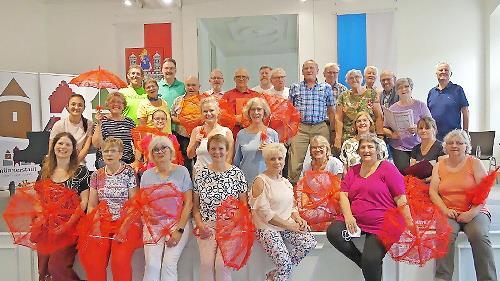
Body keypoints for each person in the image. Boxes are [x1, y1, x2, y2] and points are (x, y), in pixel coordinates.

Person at [327, 133, 413, 281]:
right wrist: (348, 216)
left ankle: (368, 264)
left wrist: (410, 223)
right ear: (358, 151)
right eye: (363, 147)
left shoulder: (388, 168)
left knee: (371, 260)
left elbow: (401, 198)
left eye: (370, 147)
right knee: (334, 232)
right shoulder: (353, 170)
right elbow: (344, 195)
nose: (366, 150)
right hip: (356, 221)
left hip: (382, 224)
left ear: (377, 150)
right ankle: (363, 264)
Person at [429, 129, 497, 281]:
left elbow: (484, 191)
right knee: (444, 235)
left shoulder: (475, 162)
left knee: (478, 234)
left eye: (459, 143)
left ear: (467, 146)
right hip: (449, 211)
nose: (454, 146)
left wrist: (472, 212)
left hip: (475, 211)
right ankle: (442, 279)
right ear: (445, 146)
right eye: (450, 143)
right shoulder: (439, 165)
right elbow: (433, 192)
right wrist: (445, 210)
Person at [249, 143, 317, 281]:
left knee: (309, 243)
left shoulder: (286, 182)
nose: (277, 162)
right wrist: (289, 225)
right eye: (272, 159)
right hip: (266, 228)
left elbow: (292, 206)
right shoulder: (260, 181)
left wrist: (298, 219)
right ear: (266, 161)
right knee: (284, 263)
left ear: (284, 160)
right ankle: (281, 269)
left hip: (286, 225)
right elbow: (265, 214)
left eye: (280, 158)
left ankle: (275, 274)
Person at [83, 137, 139, 281]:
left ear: (120, 154)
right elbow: (92, 205)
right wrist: (95, 227)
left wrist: (124, 229)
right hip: (102, 223)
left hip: (127, 223)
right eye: (106, 151)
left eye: (113, 151)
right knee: (95, 263)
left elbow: (134, 205)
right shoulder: (96, 175)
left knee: (119, 262)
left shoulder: (129, 173)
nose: (109, 154)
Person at [192, 134, 247, 281]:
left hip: (231, 226)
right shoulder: (200, 174)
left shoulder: (237, 174)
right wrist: (200, 224)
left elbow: (243, 206)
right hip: (207, 225)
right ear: (208, 151)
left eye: (221, 148)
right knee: (206, 264)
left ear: (227, 150)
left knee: (222, 266)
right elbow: (195, 207)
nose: (217, 152)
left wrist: (233, 224)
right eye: (213, 149)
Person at [38, 132, 90, 281]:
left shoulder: (81, 172)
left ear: (73, 149)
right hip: (46, 227)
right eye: (60, 143)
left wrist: (67, 225)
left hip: (70, 227)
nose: (63, 147)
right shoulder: (45, 171)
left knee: (57, 267)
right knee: (43, 271)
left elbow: (84, 202)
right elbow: (38, 197)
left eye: (68, 144)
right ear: (53, 146)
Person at [141, 136, 193, 281]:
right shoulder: (146, 175)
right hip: (153, 224)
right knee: (152, 265)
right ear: (151, 154)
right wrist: (150, 224)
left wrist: (179, 230)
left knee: (169, 265)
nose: (160, 151)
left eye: (164, 148)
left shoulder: (182, 171)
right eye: (155, 149)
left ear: (171, 151)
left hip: (177, 223)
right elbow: (143, 204)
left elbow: (188, 203)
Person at [288, 59, 336, 184]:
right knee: (295, 161)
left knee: (323, 158)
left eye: (312, 68)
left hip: (320, 126)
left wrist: (333, 131)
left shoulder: (326, 88)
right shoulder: (295, 87)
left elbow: (331, 111)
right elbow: (289, 111)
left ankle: (325, 188)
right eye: (306, 68)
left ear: (317, 71)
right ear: (302, 71)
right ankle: (293, 190)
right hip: (300, 128)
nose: (309, 70)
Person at [383, 78, 431, 172]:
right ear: (396, 91)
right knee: (404, 171)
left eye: (406, 86)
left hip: (419, 145)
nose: (403, 89)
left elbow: (430, 124)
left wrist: (418, 128)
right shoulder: (392, 108)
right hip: (399, 146)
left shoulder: (421, 105)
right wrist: (392, 135)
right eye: (400, 87)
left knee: (420, 172)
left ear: (411, 88)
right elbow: (384, 128)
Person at [335, 69, 384, 150]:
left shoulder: (372, 94)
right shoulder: (343, 96)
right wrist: (338, 138)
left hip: (369, 136)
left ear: (362, 79)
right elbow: (338, 118)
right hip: (349, 137)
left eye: (357, 77)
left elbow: (379, 116)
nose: (354, 79)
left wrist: (380, 136)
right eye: (351, 78)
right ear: (347, 81)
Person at [233, 97, 279, 184]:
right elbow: (236, 162)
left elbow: (279, 163)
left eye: (259, 109)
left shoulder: (273, 134)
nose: (256, 112)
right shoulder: (241, 134)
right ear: (248, 112)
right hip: (246, 182)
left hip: (268, 182)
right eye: (253, 109)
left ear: (264, 111)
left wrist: (269, 151)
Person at [187, 96, 234, 174]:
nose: (208, 114)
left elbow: (229, 159)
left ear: (218, 111)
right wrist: (196, 142)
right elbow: (190, 155)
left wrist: (221, 175)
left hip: (219, 175)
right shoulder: (196, 131)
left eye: (211, 110)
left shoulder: (226, 132)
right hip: (199, 175)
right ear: (201, 113)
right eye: (205, 111)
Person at [92, 91, 136, 169]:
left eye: (119, 102)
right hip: (106, 160)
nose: (116, 104)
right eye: (112, 102)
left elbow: (137, 143)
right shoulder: (102, 121)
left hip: (127, 159)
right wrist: (99, 124)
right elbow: (97, 144)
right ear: (108, 105)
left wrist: (137, 162)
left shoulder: (130, 122)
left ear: (123, 106)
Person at [171, 75, 205, 175]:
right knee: (185, 166)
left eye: (194, 85)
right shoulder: (178, 100)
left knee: (201, 164)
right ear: (185, 86)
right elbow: (172, 116)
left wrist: (197, 121)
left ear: (199, 86)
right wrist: (184, 121)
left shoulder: (204, 100)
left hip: (201, 137)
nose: (191, 88)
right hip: (183, 138)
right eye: (188, 85)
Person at [427, 62, 469, 140]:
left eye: (446, 70)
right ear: (436, 73)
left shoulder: (458, 90)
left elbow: (465, 112)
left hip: (454, 137)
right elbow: (428, 115)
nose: (443, 72)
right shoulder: (431, 92)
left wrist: (465, 132)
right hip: (434, 137)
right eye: (441, 70)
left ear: (451, 74)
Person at [49, 94, 93, 163]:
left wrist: (73, 164)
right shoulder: (59, 125)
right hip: (59, 163)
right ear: (67, 107)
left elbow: (86, 148)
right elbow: (51, 148)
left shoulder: (89, 124)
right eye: (73, 104)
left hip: (79, 163)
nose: (76, 107)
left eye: (80, 105)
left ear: (84, 108)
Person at [221, 68, 259, 135]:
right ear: (234, 79)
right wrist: (235, 119)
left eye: (243, 77)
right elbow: (221, 115)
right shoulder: (227, 95)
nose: (241, 79)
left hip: (253, 132)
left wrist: (246, 120)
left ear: (248, 79)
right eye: (238, 77)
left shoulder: (256, 95)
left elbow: (261, 113)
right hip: (232, 133)